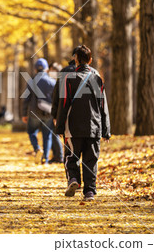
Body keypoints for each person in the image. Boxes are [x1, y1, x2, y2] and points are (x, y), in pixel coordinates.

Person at [55, 45, 111, 200]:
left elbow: (64, 104)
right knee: (91, 160)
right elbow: (102, 105)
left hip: (73, 127)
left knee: (71, 156)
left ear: (76, 59)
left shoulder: (69, 79)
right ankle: (89, 191)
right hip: (94, 126)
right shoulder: (97, 78)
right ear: (91, 60)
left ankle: (73, 179)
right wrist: (106, 130)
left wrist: (59, 126)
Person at [22, 58, 56, 165]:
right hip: (49, 113)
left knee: (31, 131)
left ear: (36, 69)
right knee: (47, 135)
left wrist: (24, 113)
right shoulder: (52, 82)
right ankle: (45, 159)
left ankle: (37, 149)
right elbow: (56, 99)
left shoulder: (31, 81)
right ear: (46, 69)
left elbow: (26, 99)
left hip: (34, 112)